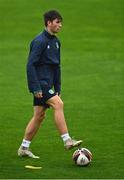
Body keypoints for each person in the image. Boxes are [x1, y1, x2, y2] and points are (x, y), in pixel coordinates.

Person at [18, 10, 82, 158]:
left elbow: (56, 66)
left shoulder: (56, 42)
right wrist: (35, 87)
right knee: (58, 104)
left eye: (61, 22)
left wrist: (57, 87)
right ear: (48, 23)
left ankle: (24, 147)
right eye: (57, 22)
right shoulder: (39, 41)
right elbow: (30, 65)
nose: (60, 25)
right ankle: (67, 140)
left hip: (48, 84)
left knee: (39, 116)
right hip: (40, 84)